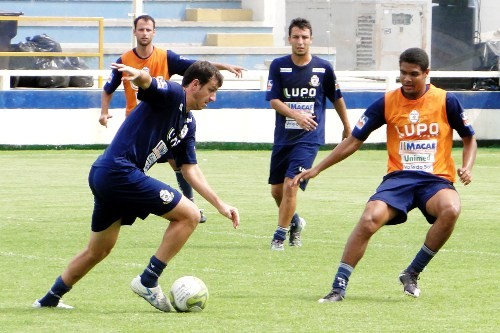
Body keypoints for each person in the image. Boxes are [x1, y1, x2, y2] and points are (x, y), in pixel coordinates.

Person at [33, 61, 240, 311]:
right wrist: (139, 75)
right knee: (189, 216)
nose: (214, 98)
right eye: (211, 90)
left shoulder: (188, 124)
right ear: (195, 84)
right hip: (120, 171)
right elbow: (149, 83)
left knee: (98, 250)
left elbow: (189, 168)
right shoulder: (174, 93)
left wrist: (220, 204)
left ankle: (49, 299)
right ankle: (148, 280)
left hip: (108, 175)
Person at [292, 47, 477, 302]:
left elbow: (469, 138)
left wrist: (467, 166)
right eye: (403, 73)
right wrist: (317, 168)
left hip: (435, 181)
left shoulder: (446, 101)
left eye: (414, 74)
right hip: (399, 179)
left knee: (451, 209)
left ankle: (412, 271)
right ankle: (338, 287)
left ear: (426, 74)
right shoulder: (388, 102)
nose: (407, 79)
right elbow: (354, 141)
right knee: (369, 218)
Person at [100, 14, 245, 223]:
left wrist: (223, 66)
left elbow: (197, 68)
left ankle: (189, 202)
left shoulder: (165, 57)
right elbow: (109, 88)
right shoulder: (124, 60)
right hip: (138, 125)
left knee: (177, 162)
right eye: (141, 29)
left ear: (154, 32)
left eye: (148, 29)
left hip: (167, 119)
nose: (144, 33)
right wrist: (104, 111)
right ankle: (187, 207)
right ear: (134, 32)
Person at [266, 18, 351, 250]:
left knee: (291, 185)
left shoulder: (323, 68)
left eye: (304, 37)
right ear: (289, 39)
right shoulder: (279, 66)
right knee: (277, 191)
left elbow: (337, 97)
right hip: (284, 137)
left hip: (309, 138)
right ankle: (295, 223)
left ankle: (279, 238)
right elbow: (274, 100)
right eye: (296, 37)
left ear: (311, 39)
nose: (300, 42)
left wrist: (347, 125)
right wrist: (296, 114)